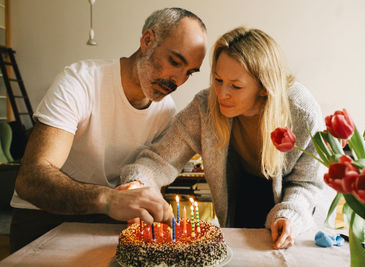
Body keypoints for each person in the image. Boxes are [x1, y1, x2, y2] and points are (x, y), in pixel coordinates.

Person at [10, 7, 207, 252]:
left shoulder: (165, 110)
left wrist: (140, 199)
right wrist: (107, 199)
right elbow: (30, 179)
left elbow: (149, 181)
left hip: (110, 223)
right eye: (175, 62)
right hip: (44, 219)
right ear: (147, 40)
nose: (178, 80)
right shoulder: (80, 82)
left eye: (189, 72)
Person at [120, 27, 325, 250]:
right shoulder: (204, 106)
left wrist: (289, 216)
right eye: (218, 80)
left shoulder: (302, 110)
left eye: (236, 86)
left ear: (264, 88)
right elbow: (159, 159)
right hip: (238, 214)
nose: (221, 93)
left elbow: (307, 183)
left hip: (295, 228)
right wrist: (137, 184)